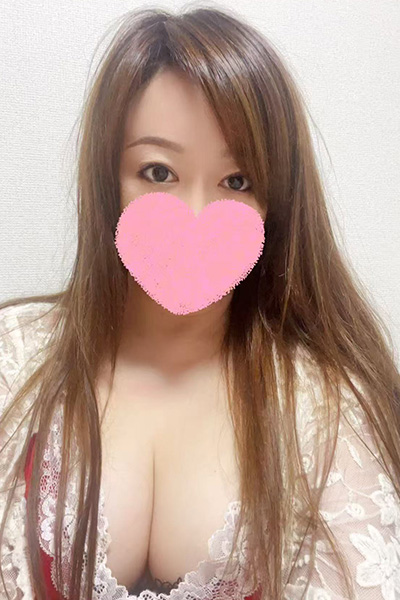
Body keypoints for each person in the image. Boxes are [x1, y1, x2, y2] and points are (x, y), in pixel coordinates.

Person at [1, 6, 400, 600]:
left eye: (237, 182)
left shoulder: (325, 406)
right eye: (157, 172)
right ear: (108, 179)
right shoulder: (16, 359)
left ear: (275, 203)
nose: (193, 214)